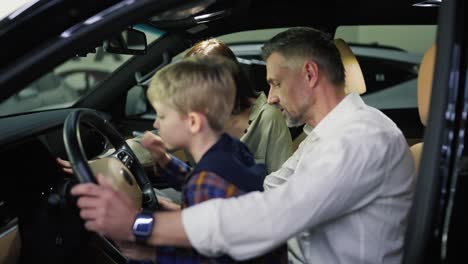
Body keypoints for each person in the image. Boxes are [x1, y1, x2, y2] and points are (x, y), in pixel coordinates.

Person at [71, 27, 415, 263]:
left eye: (276, 83)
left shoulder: (361, 139)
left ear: (310, 75)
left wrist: (138, 225)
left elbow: (270, 216)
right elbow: (262, 192)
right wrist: (167, 172)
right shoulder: (327, 135)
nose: (273, 98)